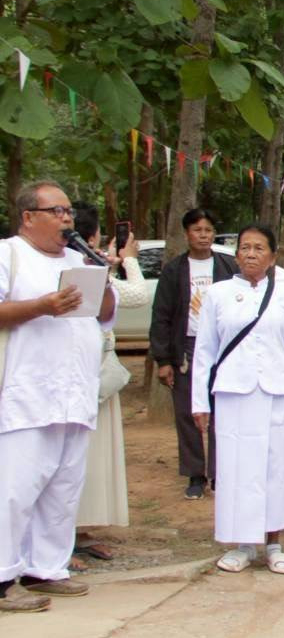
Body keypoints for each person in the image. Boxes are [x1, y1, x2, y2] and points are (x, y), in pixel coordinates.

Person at [0, 182, 118, 613]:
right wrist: (43, 306)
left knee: (64, 487)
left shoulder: (77, 259)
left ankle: (45, 569)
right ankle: (2, 577)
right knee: (13, 489)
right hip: (26, 393)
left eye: (69, 212)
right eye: (57, 211)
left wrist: (103, 274)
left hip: (74, 393)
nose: (67, 220)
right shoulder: (8, 254)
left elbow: (106, 314)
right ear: (29, 217)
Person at [191, 224, 284, 575]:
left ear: (273, 256)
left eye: (259, 248)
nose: (251, 254)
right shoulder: (218, 294)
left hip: (277, 392)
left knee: (277, 468)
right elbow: (204, 351)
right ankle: (242, 544)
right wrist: (200, 401)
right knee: (237, 470)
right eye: (245, 248)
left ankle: (274, 543)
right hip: (233, 394)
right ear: (236, 254)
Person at [72, 207, 149, 570]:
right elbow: (136, 295)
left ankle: (79, 531)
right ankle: (66, 537)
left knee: (94, 456)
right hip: (82, 379)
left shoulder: (92, 269)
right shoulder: (79, 271)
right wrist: (129, 261)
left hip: (98, 375)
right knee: (78, 458)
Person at [149, 208, 238, 499]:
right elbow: (161, 315)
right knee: (188, 412)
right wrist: (164, 360)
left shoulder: (227, 266)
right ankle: (195, 474)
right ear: (187, 233)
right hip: (186, 347)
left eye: (209, 230)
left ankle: (219, 473)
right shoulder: (175, 270)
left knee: (221, 411)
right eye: (198, 230)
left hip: (223, 348)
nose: (204, 235)